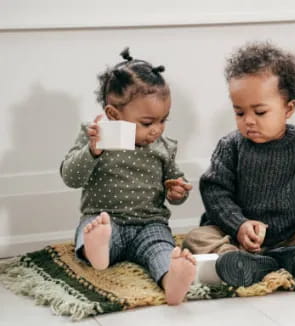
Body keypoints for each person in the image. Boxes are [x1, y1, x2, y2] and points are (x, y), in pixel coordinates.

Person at [182, 42, 295, 287]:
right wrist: (239, 225)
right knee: (196, 237)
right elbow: (215, 192)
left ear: (288, 109)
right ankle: (235, 260)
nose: (249, 121)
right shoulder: (231, 146)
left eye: (259, 112)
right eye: (239, 113)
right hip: (237, 234)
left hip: (290, 232)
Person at [60, 48, 196, 305]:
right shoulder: (96, 137)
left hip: (149, 223)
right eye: (147, 123)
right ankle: (98, 253)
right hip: (106, 220)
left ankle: (173, 281)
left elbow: (173, 183)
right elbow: (71, 177)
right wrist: (92, 151)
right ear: (114, 115)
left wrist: (177, 191)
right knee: (92, 234)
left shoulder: (163, 146)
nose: (156, 129)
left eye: (163, 120)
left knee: (161, 250)